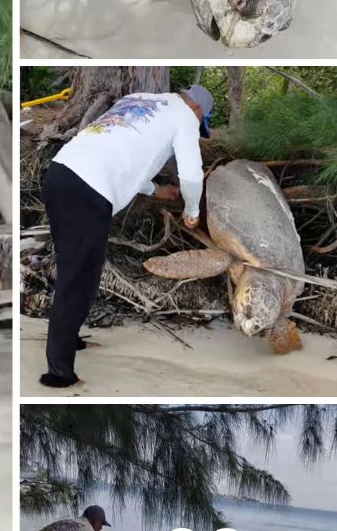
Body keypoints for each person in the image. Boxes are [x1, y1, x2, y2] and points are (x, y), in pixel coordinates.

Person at [39, 84, 214, 388]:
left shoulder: (139, 98)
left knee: (80, 271)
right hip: (89, 190)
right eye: (201, 124)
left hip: (60, 174)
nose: (197, 127)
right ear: (198, 110)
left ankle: (70, 339)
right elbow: (190, 175)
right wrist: (192, 211)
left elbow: (124, 153)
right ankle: (59, 373)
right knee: (77, 278)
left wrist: (155, 189)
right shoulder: (185, 118)